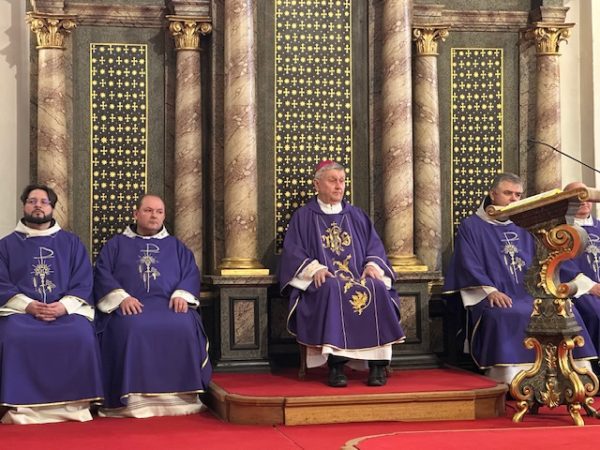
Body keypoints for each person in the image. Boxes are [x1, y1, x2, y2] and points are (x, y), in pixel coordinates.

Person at [443, 173, 596, 383]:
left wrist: (568, 286)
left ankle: (570, 373)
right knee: (506, 314)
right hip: (495, 296)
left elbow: (550, 258)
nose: (514, 199)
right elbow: (467, 263)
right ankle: (511, 377)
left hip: (530, 294)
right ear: (493, 194)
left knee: (564, 310)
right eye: (508, 193)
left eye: (518, 195)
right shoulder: (471, 226)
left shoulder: (527, 225)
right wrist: (490, 291)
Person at [278, 160, 405, 387]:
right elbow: (293, 252)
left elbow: (374, 247)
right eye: (332, 181)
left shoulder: (357, 215)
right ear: (317, 184)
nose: (339, 186)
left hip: (358, 276)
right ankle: (336, 366)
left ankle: (377, 366)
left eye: (342, 181)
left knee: (376, 286)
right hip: (325, 281)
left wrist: (372, 265)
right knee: (333, 287)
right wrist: (314, 268)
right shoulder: (303, 217)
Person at [94, 194, 212, 418]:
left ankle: (182, 397)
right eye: (148, 210)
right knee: (129, 327)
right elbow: (102, 273)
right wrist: (121, 298)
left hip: (169, 305)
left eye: (159, 212)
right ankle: (132, 400)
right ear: (136, 214)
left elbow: (190, 272)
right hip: (130, 306)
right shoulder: (116, 244)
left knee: (185, 325)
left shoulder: (176, 246)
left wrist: (182, 294)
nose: (154, 216)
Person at [0, 184, 103, 424]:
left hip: (64, 312)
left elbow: (83, 280)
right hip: (22, 313)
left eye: (44, 202)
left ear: (52, 207)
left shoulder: (71, 243)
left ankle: (75, 403)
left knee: (81, 334)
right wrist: (28, 305)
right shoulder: (6, 245)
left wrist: (63, 306)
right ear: (24, 206)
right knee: (14, 335)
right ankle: (19, 404)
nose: (38, 206)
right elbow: (1, 282)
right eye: (32, 201)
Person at [560, 182, 600, 364]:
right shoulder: (560, 231)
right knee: (595, 314)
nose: (584, 201)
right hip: (580, 290)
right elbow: (560, 263)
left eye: (586, 196)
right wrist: (591, 286)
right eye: (577, 197)